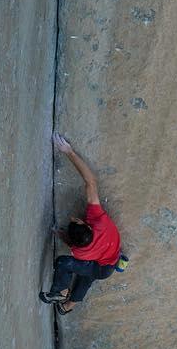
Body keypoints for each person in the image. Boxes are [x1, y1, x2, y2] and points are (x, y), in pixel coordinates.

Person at [40, 133, 127, 314]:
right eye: (76, 220)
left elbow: (74, 247)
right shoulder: (100, 221)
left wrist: (61, 234)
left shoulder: (80, 251)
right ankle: (67, 307)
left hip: (102, 264)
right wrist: (69, 151)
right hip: (106, 265)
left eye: (76, 219)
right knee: (85, 277)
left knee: (65, 263)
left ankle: (60, 292)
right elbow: (91, 182)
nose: (75, 217)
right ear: (87, 226)